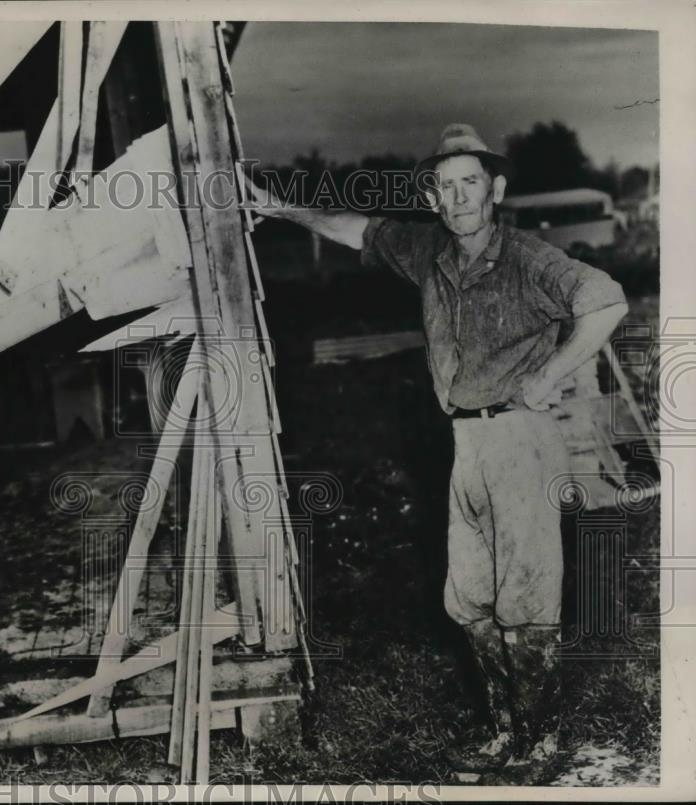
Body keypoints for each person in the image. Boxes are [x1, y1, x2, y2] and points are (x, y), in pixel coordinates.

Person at [246, 123, 628, 783]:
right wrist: (276, 205)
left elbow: (606, 300)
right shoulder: (428, 251)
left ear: (495, 188)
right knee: (468, 599)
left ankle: (538, 741)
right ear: (432, 196)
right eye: (445, 185)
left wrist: (549, 374)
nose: (457, 197)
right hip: (467, 441)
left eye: (469, 183)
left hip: (521, 440)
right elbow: (356, 230)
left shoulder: (529, 258)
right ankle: (506, 727)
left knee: (527, 597)